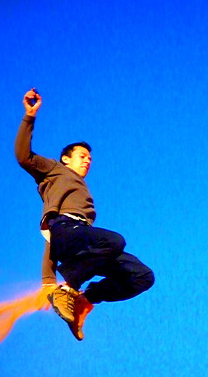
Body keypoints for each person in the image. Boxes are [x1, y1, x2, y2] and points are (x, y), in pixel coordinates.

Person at [15, 88, 154, 341]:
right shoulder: (55, 170)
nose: (87, 160)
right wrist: (29, 116)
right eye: (82, 156)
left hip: (85, 243)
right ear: (66, 159)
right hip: (67, 232)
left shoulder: (84, 194)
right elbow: (23, 157)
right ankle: (68, 289)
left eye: (90, 158)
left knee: (143, 277)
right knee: (115, 240)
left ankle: (84, 300)